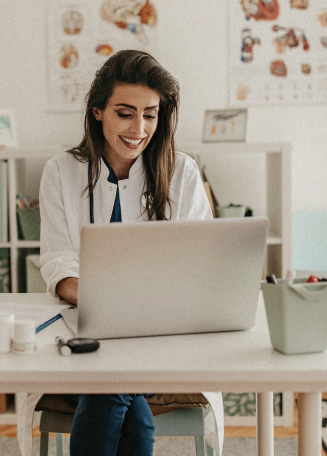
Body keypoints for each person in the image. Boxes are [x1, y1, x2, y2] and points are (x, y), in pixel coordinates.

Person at [32, 50, 223, 455]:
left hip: (163, 334)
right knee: (119, 392)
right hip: (87, 330)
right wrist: (102, 302)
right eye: (125, 112)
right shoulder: (61, 171)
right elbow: (58, 261)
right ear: (98, 111)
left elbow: (201, 264)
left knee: (108, 385)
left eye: (150, 114)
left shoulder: (182, 173)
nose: (139, 128)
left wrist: (140, 308)